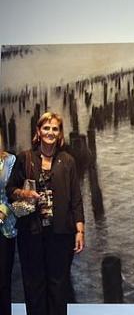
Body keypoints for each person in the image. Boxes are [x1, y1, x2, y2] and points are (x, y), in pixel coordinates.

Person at [6, 112, 85, 315]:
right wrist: (25, 193)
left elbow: (76, 198)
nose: (50, 132)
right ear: (38, 132)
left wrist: (80, 231)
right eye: (46, 128)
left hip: (60, 234)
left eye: (55, 128)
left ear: (60, 135)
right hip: (31, 233)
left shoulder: (67, 161)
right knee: (34, 285)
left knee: (58, 287)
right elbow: (10, 189)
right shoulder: (25, 158)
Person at [0, 133, 17, 315]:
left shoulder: (10, 161)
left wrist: (3, 211)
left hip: (4, 228)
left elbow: (13, 191)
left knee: (3, 282)